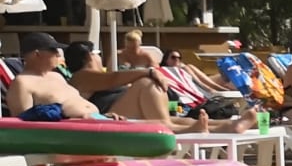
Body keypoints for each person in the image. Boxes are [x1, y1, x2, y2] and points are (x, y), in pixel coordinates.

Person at [7, 32, 174, 123]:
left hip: (99, 120)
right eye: (53, 50)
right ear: (37, 54)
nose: (58, 54)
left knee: (147, 89)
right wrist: (73, 121)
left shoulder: (57, 77)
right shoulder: (22, 83)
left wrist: (103, 117)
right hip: (78, 133)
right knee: (146, 88)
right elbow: (24, 125)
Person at [59, 41, 180, 123]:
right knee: (145, 84)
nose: (100, 57)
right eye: (98, 54)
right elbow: (113, 78)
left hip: (125, 111)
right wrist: (150, 72)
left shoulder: (93, 77)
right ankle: (169, 127)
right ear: (89, 56)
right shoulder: (81, 77)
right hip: (112, 116)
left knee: (179, 118)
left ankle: (185, 123)